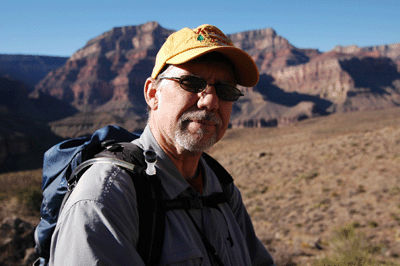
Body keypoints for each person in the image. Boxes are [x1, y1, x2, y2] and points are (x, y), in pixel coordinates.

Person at [49, 24, 275, 266]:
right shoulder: (106, 199)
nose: (210, 101)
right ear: (152, 93)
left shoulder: (220, 185)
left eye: (226, 90)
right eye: (191, 83)